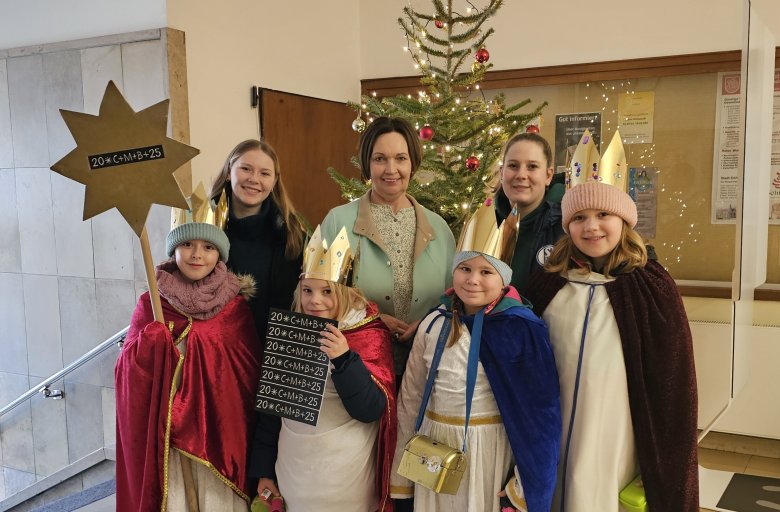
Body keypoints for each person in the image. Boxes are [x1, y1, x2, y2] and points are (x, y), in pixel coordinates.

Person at [524, 179, 699, 512]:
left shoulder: (650, 287)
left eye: (603, 213)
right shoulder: (548, 282)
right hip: (551, 425)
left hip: (618, 427)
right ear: (567, 226)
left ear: (624, 221)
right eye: (579, 217)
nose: (591, 226)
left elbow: (672, 380)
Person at [390, 202, 561, 512]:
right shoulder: (433, 322)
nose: (473, 280)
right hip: (433, 447)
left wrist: (523, 485)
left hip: (487, 451)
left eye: (486, 272)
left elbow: (540, 416)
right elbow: (411, 399)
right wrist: (401, 481)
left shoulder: (520, 328)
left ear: (504, 280)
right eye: (465, 269)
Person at [115, 214, 260, 511]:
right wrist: (148, 345)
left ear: (220, 253)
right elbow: (125, 371)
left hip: (219, 431)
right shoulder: (152, 303)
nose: (197, 254)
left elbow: (247, 375)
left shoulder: (234, 306)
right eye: (187, 244)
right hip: (168, 432)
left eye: (208, 246)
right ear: (173, 250)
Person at [249, 226, 396, 512]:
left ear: (346, 291)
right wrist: (264, 469)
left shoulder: (367, 333)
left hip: (345, 475)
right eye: (307, 291)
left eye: (327, 291)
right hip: (295, 469)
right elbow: (271, 413)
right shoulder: (292, 333)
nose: (315, 301)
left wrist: (344, 360)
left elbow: (371, 410)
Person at [321, 116, 455, 380]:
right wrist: (373, 319)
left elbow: (454, 298)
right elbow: (317, 296)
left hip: (426, 361)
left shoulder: (440, 229)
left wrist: (427, 322)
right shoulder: (337, 221)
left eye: (401, 158)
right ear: (367, 165)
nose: (390, 169)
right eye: (380, 158)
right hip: (358, 362)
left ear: (412, 163)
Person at [210, 139, 305, 346]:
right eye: (246, 169)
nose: (254, 179)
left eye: (264, 173)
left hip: (272, 356)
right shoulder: (202, 227)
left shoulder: (293, 234)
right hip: (215, 354)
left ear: (274, 181)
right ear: (228, 172)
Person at [494, 131, 566, 293]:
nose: (521, 175)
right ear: (501, 173)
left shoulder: (566, 229)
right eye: (513, 165)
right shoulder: (485, 225)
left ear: (548, 175)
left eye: (532, 166)